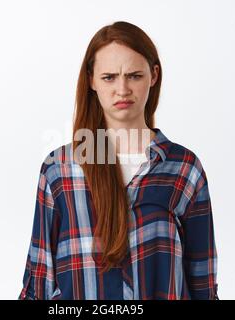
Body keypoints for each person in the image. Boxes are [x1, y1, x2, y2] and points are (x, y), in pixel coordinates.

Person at [18, 21, 219, 300]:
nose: (122, 89)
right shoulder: (59, 169)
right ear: (91, 80)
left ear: (153, 75)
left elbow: (203, 284)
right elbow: (38, 282)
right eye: (109, 77)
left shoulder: (184, 168)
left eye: (134, 75)